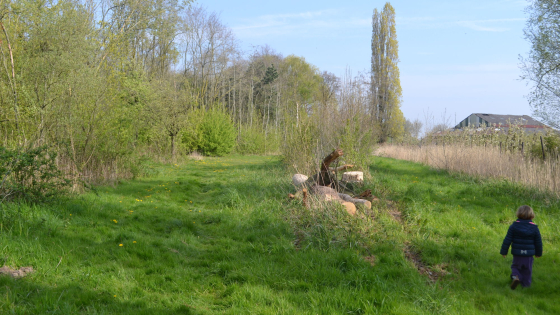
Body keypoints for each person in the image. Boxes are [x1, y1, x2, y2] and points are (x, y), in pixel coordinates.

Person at [500, 205, 543, 290]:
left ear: (518, 214)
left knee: (515, 267)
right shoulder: (534, 228)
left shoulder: (514, 226)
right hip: (528, 255)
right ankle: (526, 286)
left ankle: (516, 277)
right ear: (532, 215)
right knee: (527, 271)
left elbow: (507, 240)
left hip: (517, 253)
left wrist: (504, 252)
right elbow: (538, 242)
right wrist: (538, 253)